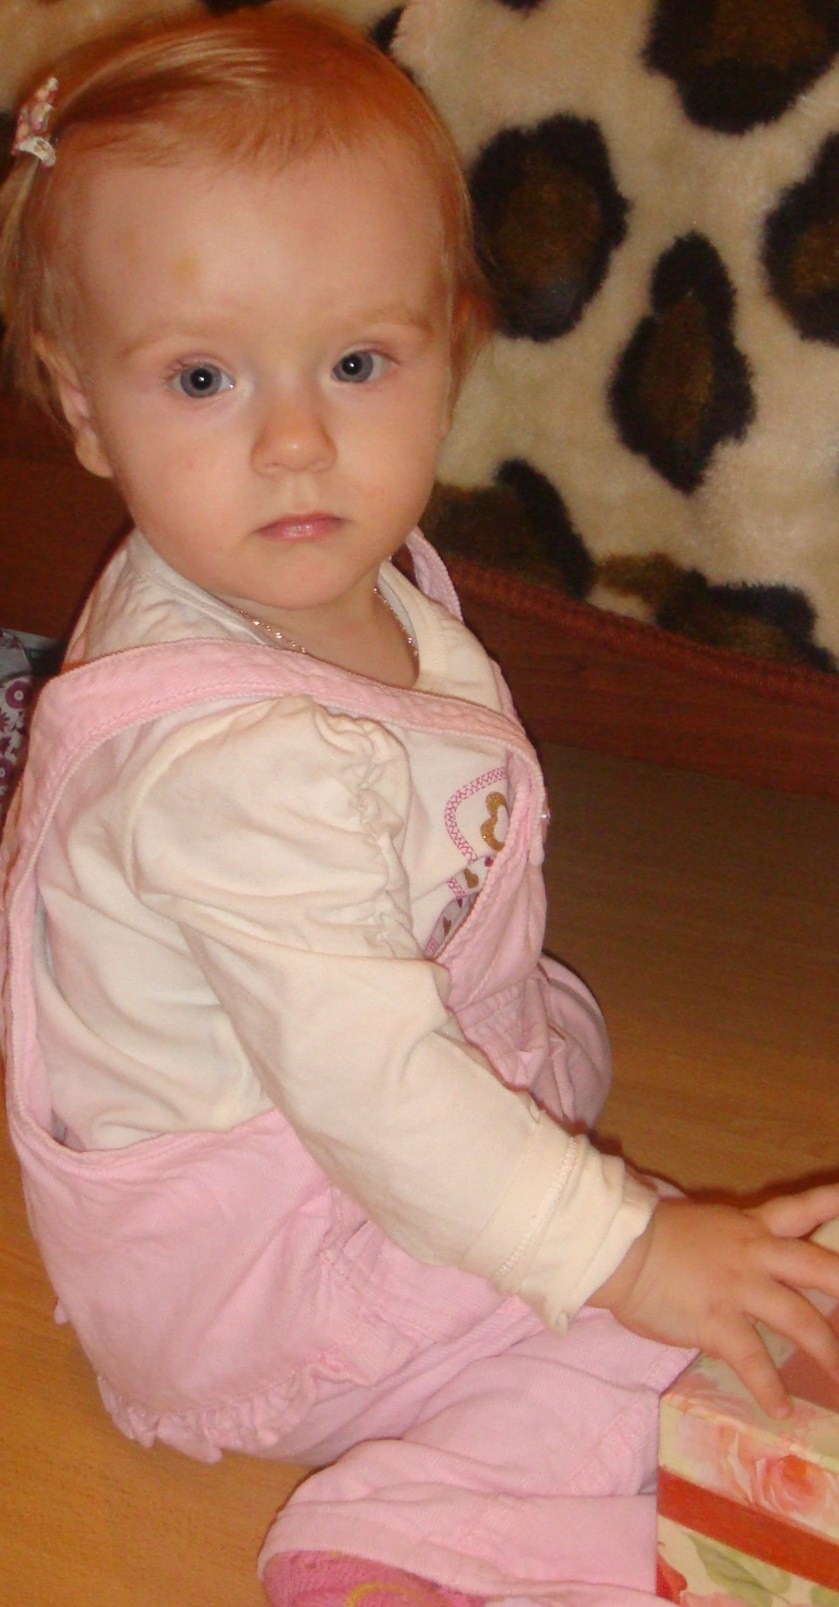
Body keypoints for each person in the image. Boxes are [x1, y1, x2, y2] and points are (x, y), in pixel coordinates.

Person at [2, 10, 839, 1606]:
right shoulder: (235, 773)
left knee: (589, 1102)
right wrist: (633, 1253)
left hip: (289, 1137)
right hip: (285, 1281)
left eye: (358, 363)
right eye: (202, 377)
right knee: (654, 1329)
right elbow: (380, 1096)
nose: (296, 441)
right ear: (84, 406)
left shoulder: (258, 573)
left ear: (448, 354)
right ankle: (409, 1536)